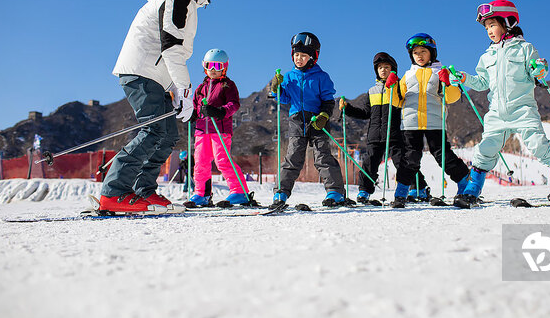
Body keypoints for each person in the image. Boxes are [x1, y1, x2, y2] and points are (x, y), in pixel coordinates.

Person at [99, 0, 231, 214]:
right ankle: (113, 193)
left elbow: (172, 53)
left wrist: (175, 90)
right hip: (141, 73)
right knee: (155, 131)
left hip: (155, 76)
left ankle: (143, 190)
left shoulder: (187, 1)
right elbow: (171, 49)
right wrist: (184, 91)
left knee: (168, 134)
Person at [454, 0, 550, 207]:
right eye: (486, 27)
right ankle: (473, 188)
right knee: (485, 148)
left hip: (522, 108)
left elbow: (536, 70)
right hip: (496, 112)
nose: (489, 31)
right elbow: (482, 82)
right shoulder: (487, 56)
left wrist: (539, 69)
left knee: (537, 144)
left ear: (508, 22)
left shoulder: (524, 48)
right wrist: (463, 78)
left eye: (492, 25)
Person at [386, 33, 470, 208]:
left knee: (443, 156)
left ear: (432, 52)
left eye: (423, 51)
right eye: (416, 52)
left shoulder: (440, 72)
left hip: (434, 123)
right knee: (410, 158)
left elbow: (452, 97)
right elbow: (396, 100)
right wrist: (391, 87)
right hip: (411, 124)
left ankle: (465, 185)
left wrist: (448, 83)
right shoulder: (408, 75)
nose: (419, 55)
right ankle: (401, 192)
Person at [339, 52, 431, 204]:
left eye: (386, 67)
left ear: (393, 69)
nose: (383, 70)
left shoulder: (400, 88)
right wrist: (347, 108)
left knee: (402, 162)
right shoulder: (371, 91)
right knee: (369, 163)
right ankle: (364, 191)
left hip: (395, 134)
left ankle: (419, 187)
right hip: (375, 135)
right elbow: (365, 113)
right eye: (380, 67)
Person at [269, 32, 348, 208]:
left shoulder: (321, 77)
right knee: (293, 156)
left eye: (303, 55)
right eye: (296, 55)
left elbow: (328, 100)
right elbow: (285, 98)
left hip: (317, 119)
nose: (299, 58)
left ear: (312, 57)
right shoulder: (289, 76)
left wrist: (324, 115)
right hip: (297, 119)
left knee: (322, 156)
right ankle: (281, 193)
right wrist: (276, 88)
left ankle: (335, 192)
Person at [184, 49, 256, 208]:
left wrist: (220, 111)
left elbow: (234, 104)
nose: (214, 69)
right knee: (200, 162)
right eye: (210, 65)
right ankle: (201, 193)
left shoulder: (227, 85)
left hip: (220, 129)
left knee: (222, 160)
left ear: (224, 67)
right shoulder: (200, 88)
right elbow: (195, 107)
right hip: (202, 130)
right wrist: (191, 114)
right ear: (205, 66)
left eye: (218, 66)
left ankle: (239, 191)